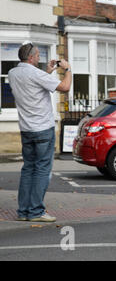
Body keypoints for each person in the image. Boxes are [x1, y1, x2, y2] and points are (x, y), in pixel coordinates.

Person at [8, 43, 72, 222]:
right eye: (37, 55)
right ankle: (36, 211)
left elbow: (35, 84)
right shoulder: (35, 73)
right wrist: (67, 69)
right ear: (31, 57)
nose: (39, 58)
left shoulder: (14, 73)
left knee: (28, 169)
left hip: (26, 129)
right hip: (43, 128)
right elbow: (65, 87)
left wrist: (49, 71)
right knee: (42, 170)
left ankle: (23, 211)